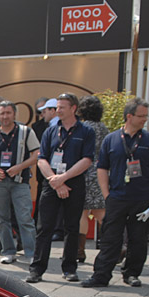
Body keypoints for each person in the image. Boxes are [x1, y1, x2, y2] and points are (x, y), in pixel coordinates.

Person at [83, 97, 149, 289]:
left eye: (146, 116)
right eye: (141, 116)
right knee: (110, 238)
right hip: (117, 197)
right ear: (129, 116)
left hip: (141, 197)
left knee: (138, 238)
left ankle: (132, 273)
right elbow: (102, 168)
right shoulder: (112, 139)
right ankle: (101, 275)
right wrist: (106, 194)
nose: (145, 119)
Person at [27, 93, 94, 283]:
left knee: (72, 227)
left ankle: (70, 268)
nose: (58, 110)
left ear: (73, 108)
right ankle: (37, 269)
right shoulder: (50, 130)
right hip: (51, 183)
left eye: (62, 107)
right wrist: (54, 180)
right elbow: (41, 159)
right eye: (57, 107)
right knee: (44, 227)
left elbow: (87, 159)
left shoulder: (86, 131)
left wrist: (63, 178)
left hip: (74, 183)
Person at [0, 100, 39, 264]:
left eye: (8, 113)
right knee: (1, 218)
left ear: (14, 114)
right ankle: (8, 251)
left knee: (24, 217)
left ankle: (31, 253)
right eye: (2, 113)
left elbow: (36, 155)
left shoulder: (25, 132)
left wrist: (20, 166)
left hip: (20, 181)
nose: (5, 116)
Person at [76, 96, 110, 264]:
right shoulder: (104, 129)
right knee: (101, 213)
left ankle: (80, 251)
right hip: (100, 173)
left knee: (82, 213)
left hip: (82, 172)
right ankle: (113, 247)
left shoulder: (82, 128)